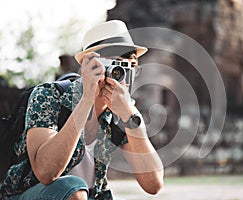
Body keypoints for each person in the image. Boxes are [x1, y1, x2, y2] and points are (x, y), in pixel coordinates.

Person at [0, 20, 164, 200]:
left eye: (128, 68)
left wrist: (131, 117)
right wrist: (86, 100)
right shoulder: (49, 95)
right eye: (114, 66)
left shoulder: (121, 112)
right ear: (89, 65)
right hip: (27, 194)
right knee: (72, 187)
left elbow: (153, 184)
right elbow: (46, 173)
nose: (120, 76)